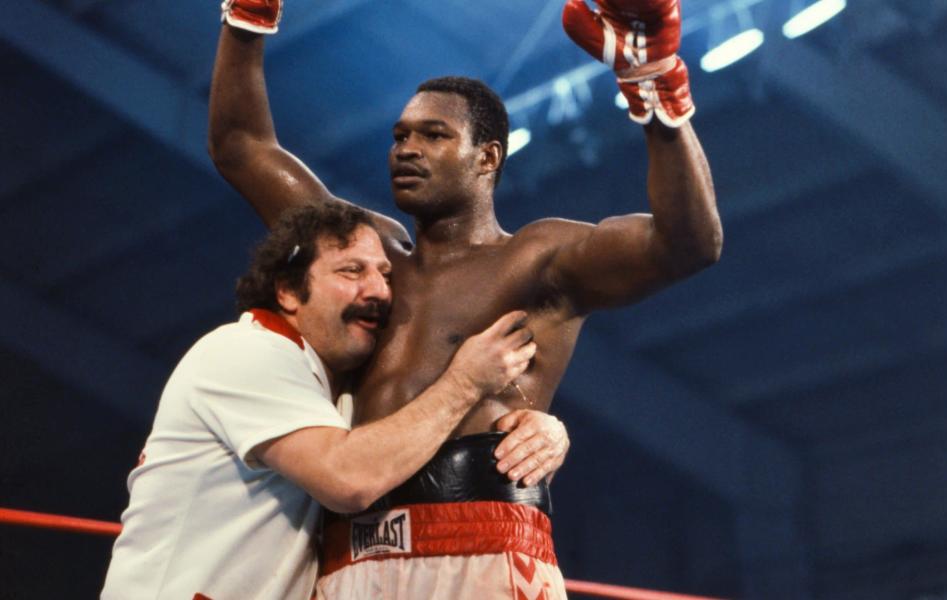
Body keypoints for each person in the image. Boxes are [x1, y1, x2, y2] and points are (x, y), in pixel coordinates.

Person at [209, 0, 722, 598]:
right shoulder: (363, 257)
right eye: (400, 135)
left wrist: (655, 90)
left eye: (433, 134)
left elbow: (689, 244)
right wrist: (247, 16)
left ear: (488, 158)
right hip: (348, 554)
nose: (406, 148)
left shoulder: (539, 257)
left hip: (483, 542)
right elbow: (241, 148)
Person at [100, 203, 542, 599]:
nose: (379, 291)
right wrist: (466, 383)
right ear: (288, 292)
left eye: (384, 275)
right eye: (351, 271)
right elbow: (348, 478)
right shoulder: (245, 352)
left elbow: (404, 444)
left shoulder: (333, 394)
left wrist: (541, 430)